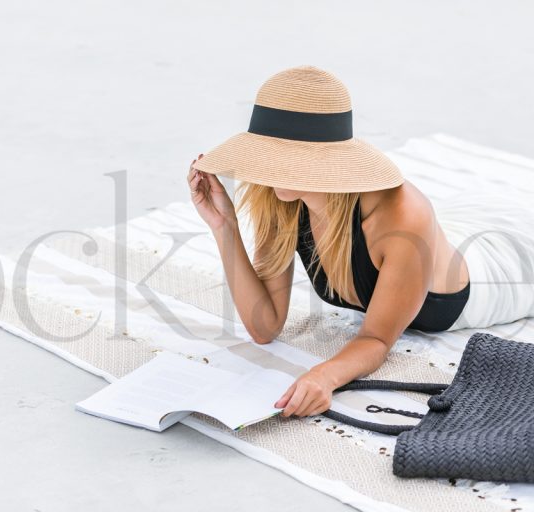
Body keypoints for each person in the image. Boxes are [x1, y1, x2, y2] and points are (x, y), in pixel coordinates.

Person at [187, 65, 534, 419]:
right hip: (449, 229)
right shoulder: (280, 196)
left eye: (283, 156)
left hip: (505, 266)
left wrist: (324, 375)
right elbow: (264, 327)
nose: (269, 167)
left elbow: (377, 340)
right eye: (268, 153)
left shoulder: (402, 217)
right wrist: (224, 227)